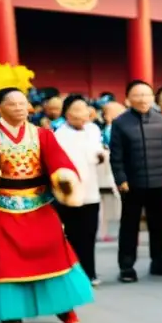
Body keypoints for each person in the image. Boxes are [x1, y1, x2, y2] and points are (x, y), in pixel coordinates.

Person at [0, 87, 93, 323]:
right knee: (7, 263)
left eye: (23, 103)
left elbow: (59, 162)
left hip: (40, 205)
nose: (20, 108)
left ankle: (65, 309)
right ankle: (10, 317)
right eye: (13, 104)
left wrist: (64, 179)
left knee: (54, 255)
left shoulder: (43, 135)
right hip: (4, 207)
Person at [109, 80, 162, 282]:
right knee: (129, 226)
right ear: (128, 98)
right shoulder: (121, 123)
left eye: (146, 95)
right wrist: (120, 179)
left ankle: (158, 260)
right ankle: (126, 266)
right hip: (132, 184)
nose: (142, 99)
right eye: (138, 95)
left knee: (158, 225)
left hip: (158, 183)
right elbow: (116, 156)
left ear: (152, 98)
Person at [54, 95, 106, 284]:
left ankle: (89, 272)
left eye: (84, 108)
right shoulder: (59, 134)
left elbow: (97, 152)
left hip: (91, 191)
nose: (82, 113)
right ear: (66, 114)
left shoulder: (93, 129)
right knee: (72, 235)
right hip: (69, 192)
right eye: (77, 109)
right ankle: (72, 274)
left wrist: (101, 156)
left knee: (89, 234)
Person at [97, 101, 124, 243]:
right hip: (107, 173)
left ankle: (105, 231)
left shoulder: (110, 128)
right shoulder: (109, 129)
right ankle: (103, 232)